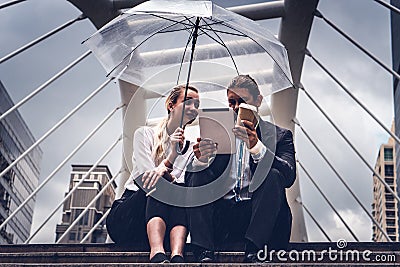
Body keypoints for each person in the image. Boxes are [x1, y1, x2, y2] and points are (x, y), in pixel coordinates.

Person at [186, 75, 296, 263]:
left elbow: (288, 175)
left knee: (273, 174)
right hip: (223, 219)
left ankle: (255, 250)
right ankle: (203, 251)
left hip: (260, 219)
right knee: (198, 175)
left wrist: (257, 147)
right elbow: (190, 180)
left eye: (243, 101)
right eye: (232, 102)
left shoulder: (280, 136)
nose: (236, 107)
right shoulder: (218, 133)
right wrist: (201, 161)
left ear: (258, 101)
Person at [106, 85, 200, 263]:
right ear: (171, 105)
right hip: (129, 218)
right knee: (161, 184)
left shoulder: (190, 150)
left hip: (165, 225)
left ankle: (177, 254)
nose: (193, 108)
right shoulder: (144, 134)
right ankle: (156, 253)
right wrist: (171, 155)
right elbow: (147, 179)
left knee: (179, 191)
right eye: (188, 102)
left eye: (197, 104)